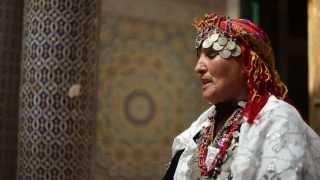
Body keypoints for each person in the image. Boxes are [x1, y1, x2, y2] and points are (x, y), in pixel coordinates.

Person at [163, 13, 320, 180]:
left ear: (248, 63)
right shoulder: (197, 132)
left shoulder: (278, 120)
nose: (198, 67)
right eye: (199, 57)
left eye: (211, 55)